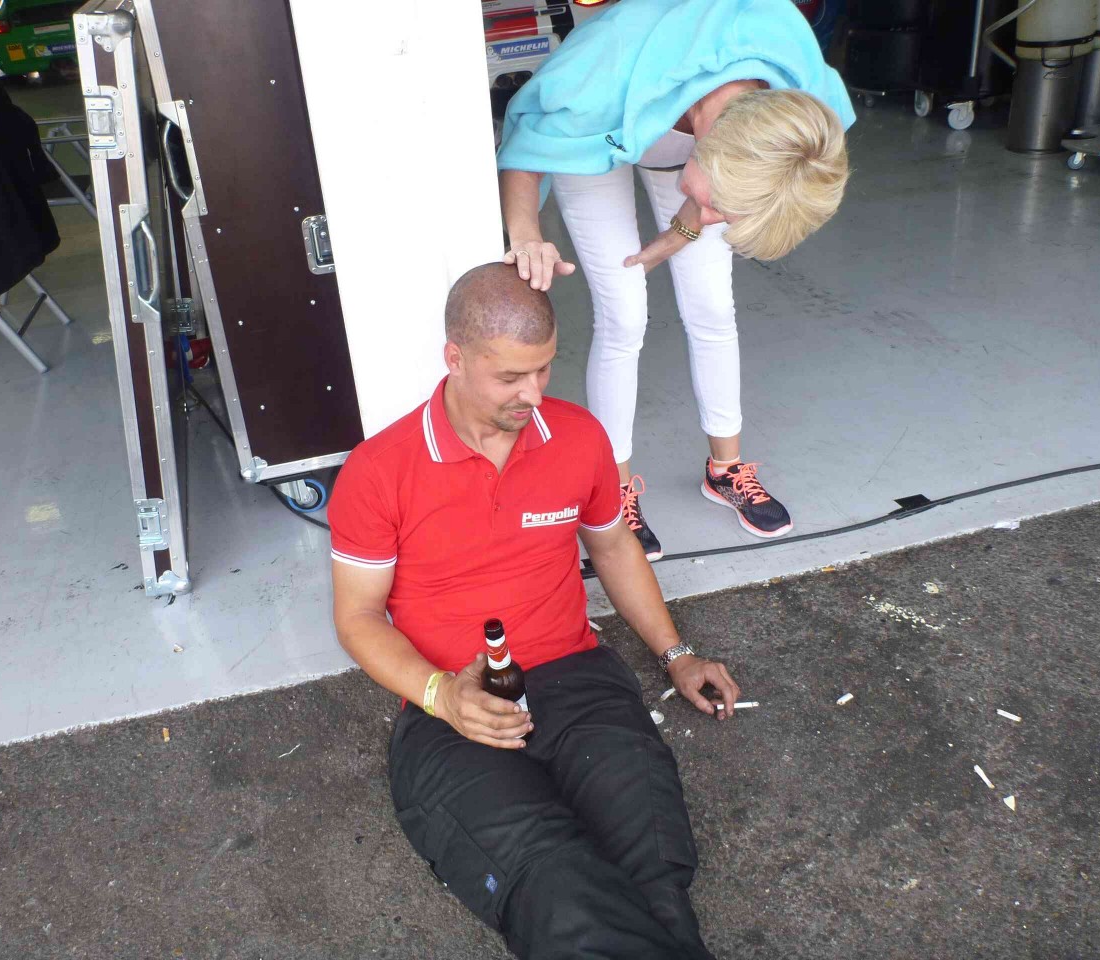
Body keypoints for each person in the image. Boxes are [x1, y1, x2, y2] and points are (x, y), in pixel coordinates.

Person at [330, 262, 740, 959]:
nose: (534, 393)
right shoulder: (378, 470)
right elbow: (358, 616)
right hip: (453, 706)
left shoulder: (578, 437)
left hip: (579, 678)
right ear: (455, 358)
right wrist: (441, 695)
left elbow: (613, 546)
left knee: (656, 867)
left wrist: (677, 655)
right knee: (555, 887)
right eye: (511, 376)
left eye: (544, 369)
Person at [497, 0, 855, 558]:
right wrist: (525, 235)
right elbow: (528, 136)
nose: (710, 221)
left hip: (693, 145)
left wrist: (684, 228)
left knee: (712, 307)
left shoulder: (798, 97)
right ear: (712, 150)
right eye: (716, 209)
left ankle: (725, 469)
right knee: (624, 316)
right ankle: (612, 492)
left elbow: (785, 174)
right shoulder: (603, 69)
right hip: (599, 133)